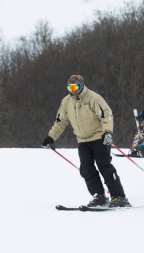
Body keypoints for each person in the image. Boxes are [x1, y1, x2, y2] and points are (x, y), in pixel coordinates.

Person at [41, 74, 131, 207]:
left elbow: (106, 115)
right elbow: (60, 121)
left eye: (75, 86)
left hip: (99, 137)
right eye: (69, 87)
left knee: (104, 166)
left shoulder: (93, 98)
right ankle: (98, 195)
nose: (72, 90)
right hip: (82, 140)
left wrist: (107, 132)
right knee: (86, 169)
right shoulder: (66, 101)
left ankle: (118, 196)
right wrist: (51, 137)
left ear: (81, 85)